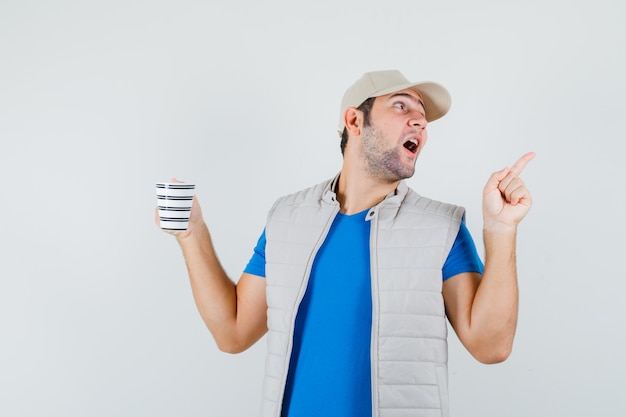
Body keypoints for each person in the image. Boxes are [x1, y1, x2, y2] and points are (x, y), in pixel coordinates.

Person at [157, 69, 534, 417]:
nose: (419, 120)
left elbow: (491, 346)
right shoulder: (288, 217)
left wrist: (501, 231)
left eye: (422, 115)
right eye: (401, 106)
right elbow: (233, 332)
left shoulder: (442, 226)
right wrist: (193, 235)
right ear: (354, 120)